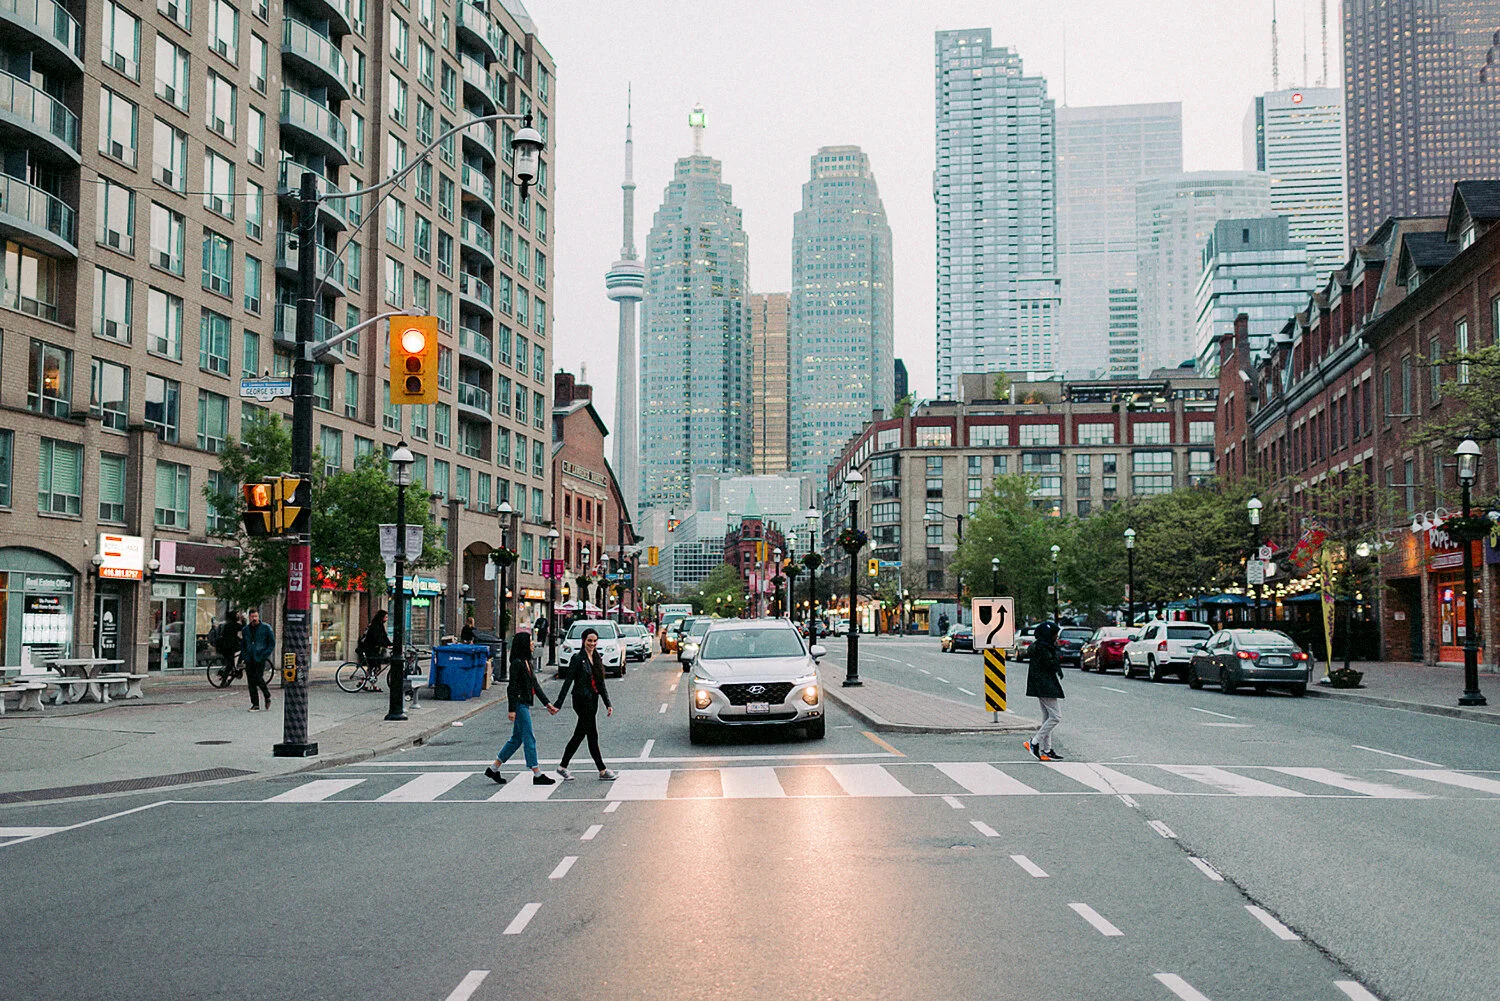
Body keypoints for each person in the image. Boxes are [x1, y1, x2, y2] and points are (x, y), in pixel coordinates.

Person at [484, 628, 559, 786]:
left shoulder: (527, 662)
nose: (532, 644)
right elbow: (511, 688)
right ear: (523, 644)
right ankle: (537, 773)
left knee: (516, 739)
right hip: (519, 705)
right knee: (529, 738)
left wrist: (548, 704)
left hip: (524, 703)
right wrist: (511, 709)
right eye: (530, 641)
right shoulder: (517, 664)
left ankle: (493, 768)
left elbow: (535, 686)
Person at [553, 627, 617, 781]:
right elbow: (568, 682)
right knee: (591, 735)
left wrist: (607, 703)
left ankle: (563, 766)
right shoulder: (577, 658)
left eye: (594, 641)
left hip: (592, 700)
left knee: (581, 734)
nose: (592, 643)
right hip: (581, 700)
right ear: (583, 641)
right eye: (589, 640)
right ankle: (602, 769)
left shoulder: (596, 658)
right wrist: (558, 703)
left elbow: (601, 684)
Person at [1023, 620, 1065, 761]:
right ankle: (1034, 742)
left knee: (1047, 717)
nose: (1056, 637)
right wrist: (1056, 651)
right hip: (1045, 685)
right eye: (1054, 634)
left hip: (1042, 684)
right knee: (1056, 717)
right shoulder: (1044, 648)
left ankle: (1047, 749)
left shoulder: (1040, 646)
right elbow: (1050, 665)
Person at [241, 609, 275, 712]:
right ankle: (255, 704)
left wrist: (265, 654)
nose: (254, 619)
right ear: (249, 617)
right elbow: (243, 644)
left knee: (258, 678)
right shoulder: (246, 630)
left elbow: (271, 643)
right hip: (249, 658)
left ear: (258, 616)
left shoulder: (266, 628)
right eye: (252, 617)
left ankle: (266, 694)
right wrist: (244, 655)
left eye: (255, 616)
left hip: (260, 657)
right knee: (251, 682)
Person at [358, 610, 392, 692]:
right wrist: (385, 644)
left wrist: (390, 643)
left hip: (374, 649)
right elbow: (377, 638)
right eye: (386, 617)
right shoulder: (375, 626)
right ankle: (371, 684)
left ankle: (362, 682)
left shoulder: (379, 625)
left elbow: (384, 636)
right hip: (370, 648)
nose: (387, 619)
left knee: (373, 667)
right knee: (374, 667)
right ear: (381, 617)